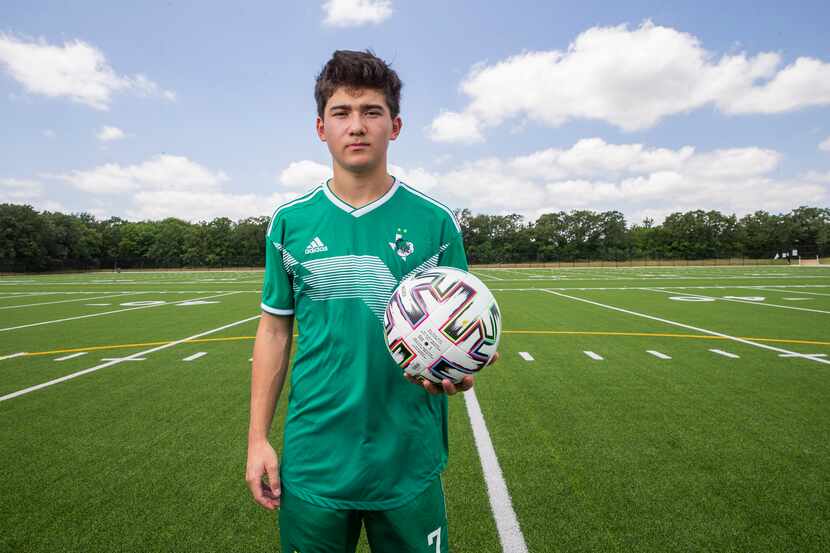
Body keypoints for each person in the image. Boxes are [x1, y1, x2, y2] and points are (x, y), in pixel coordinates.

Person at [246, 50, 488, 553]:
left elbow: (464, 320)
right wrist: (257, 439)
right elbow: (274, 329)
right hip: (315, 461)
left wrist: (463, 366)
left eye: (371, 112)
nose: (357, 126)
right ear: (321, 128)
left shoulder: (435, 222)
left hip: (407, 460)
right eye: (342, 112)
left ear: (394, 125)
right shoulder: (290, 222)